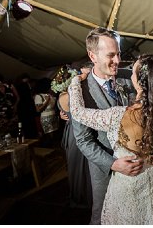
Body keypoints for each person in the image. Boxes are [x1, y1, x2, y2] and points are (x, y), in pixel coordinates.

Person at [68, 54, 153, 224]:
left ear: (140, 82)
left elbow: (77, 111)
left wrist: (75, 82)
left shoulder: (118, 116)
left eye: (133, 72)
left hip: (127, 186)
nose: (129, 74)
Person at [72, 27, 140, 224]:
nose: (117, 61)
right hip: (105, 168)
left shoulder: (128, 79)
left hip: (135, 163)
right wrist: (113, 163)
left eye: (118, 54)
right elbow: (84, 140)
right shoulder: (81, 90)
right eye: (111, 55)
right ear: (92, 56)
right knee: (103, 215)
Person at [55, 65, 92, 208]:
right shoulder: (78, 95)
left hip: (70, 132)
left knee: (74, 166)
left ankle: (76, 195)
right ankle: (87, 197)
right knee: (86, 166)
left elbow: (67, 111)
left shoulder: (61, 96)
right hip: (81, 131)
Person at [34, 77, 59, 142]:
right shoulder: (38, 96)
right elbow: (38, 110)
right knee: (50, 137)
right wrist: (47, 101)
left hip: (53, 117)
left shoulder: (50, 95)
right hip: (46, 118)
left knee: (55, 137)